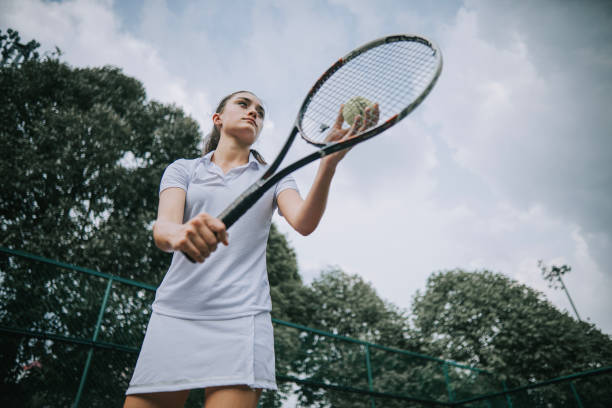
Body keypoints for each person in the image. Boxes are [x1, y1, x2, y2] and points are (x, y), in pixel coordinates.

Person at [123, 90, 378, 408]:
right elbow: (163, 229)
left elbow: (304, 221)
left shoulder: (273, 177)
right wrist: (182, 234)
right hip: (175, 313)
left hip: (241, 318)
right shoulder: (183, 170)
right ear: (218, 119)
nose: (253, 112)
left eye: (260, 110)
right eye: (243, 105)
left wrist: (328, 165)